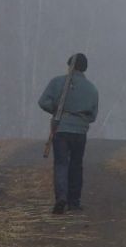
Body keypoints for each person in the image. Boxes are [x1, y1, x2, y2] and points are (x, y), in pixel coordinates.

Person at [38, 53, 99, 214]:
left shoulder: (57, 82)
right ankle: (74, 201)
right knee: (76, 165)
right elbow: (93, 116)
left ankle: (61, 197)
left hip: (61, 129)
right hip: (80, 132)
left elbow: (43, 102)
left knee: (61, 164)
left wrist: (57, 112)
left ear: (69, 66)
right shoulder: (91, 88)